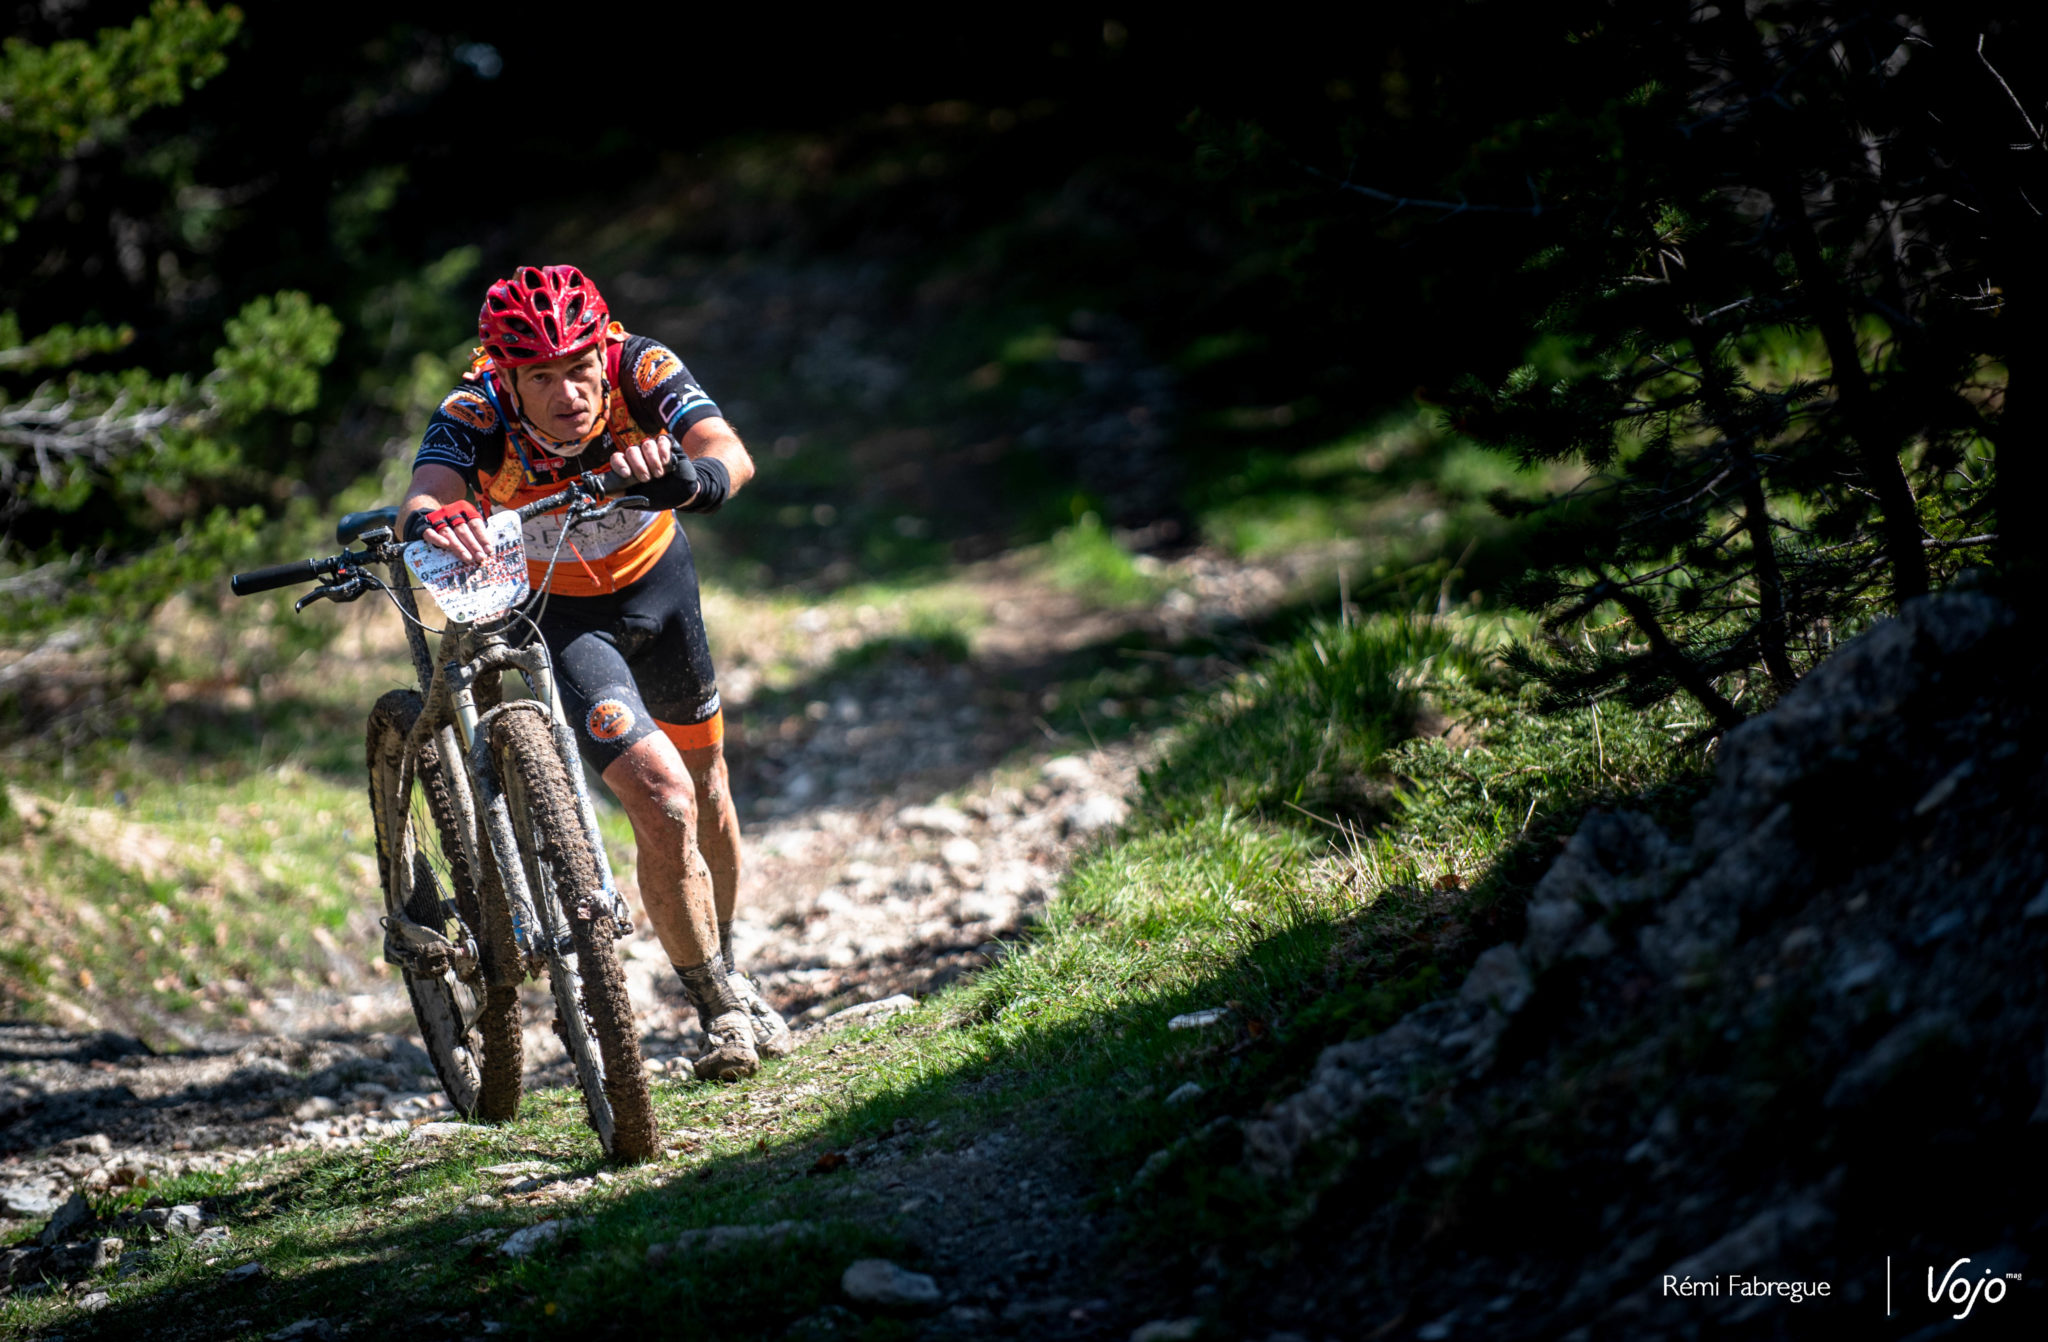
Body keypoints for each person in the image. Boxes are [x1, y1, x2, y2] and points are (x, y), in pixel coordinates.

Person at [396, 263, 790, 1081]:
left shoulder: (638, 365)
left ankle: (730, 960)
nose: (569, 392)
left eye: (579, 368)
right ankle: (717, 1011)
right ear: (506, 377)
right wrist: (443, 519)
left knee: (710, 789)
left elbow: (726, 449)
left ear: (600, 351)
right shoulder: (475, 408)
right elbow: (423, 495)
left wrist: (696, 478)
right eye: (542, 376)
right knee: (664, 797)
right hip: (561, 612)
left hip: (660, 588)